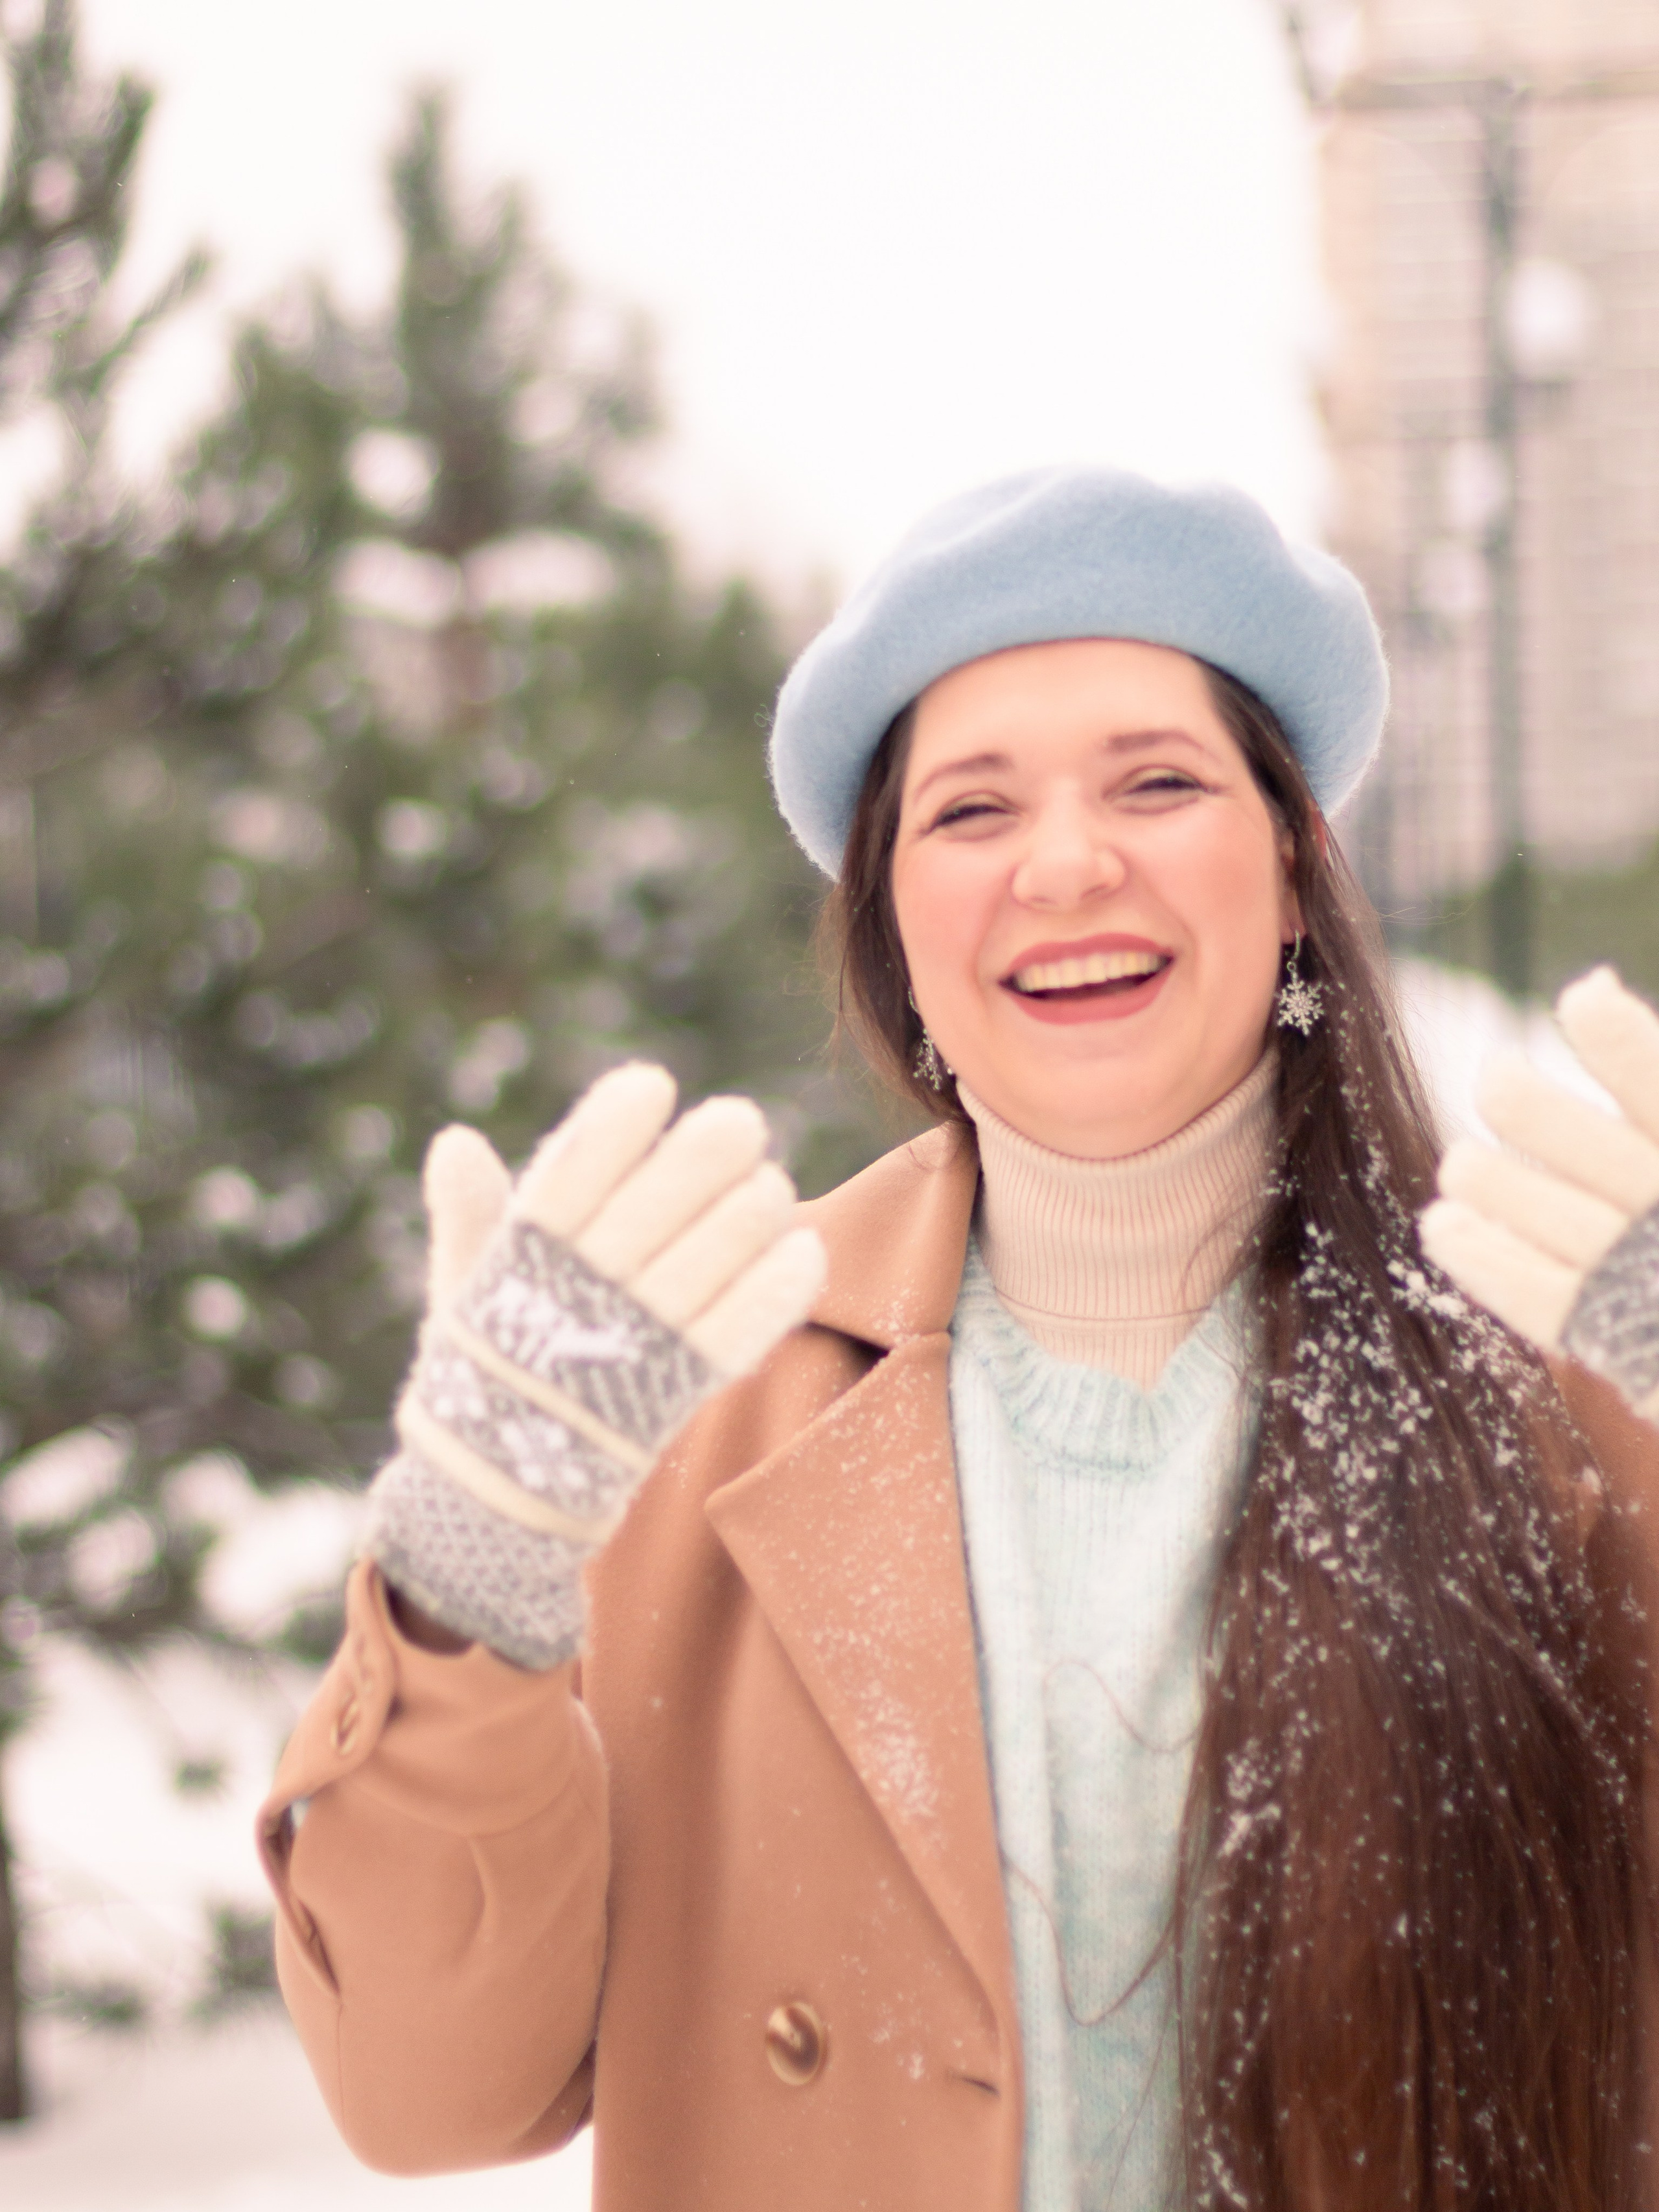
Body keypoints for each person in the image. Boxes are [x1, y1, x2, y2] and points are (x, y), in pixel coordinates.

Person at [257, 468, 1659, 2212]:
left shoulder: (1564, 1389)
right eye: (970, 812)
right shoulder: (683, 1402)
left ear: (1299, 871)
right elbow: (428, 2092)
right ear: (898, 930)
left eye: (1157, 781)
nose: (1067, 863)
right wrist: (469, 1575)